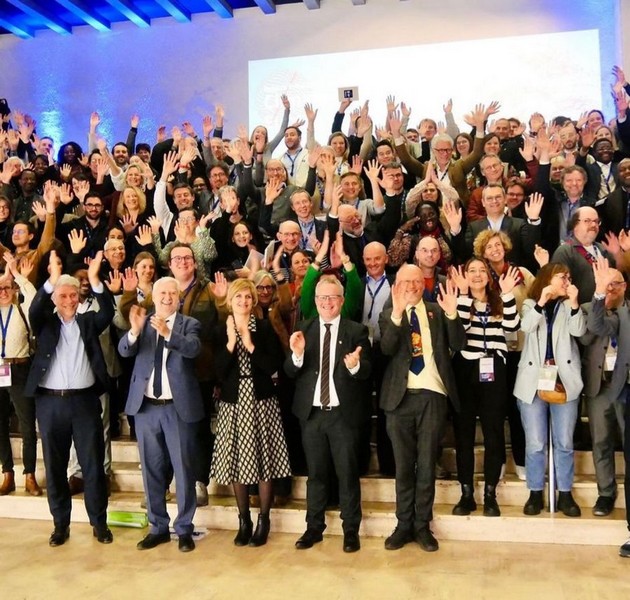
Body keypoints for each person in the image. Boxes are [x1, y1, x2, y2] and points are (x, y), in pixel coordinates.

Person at [25, 251, 113, 546]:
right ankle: (60, 524)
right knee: (55, 466)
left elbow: (107, 312)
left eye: (73, 295)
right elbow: (35, 309)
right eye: (62, 296)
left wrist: (97, 278)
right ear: (54, 298)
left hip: (85, 403)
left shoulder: (88, 322)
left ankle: (99, 524)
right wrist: (50, 281)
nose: (68, 301)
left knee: (92, 464)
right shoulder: (44, 322)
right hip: (50, 404)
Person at [379, 264, 464, 552]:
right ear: (397, 285)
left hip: (432, 395)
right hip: (399, 399)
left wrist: (453, 313)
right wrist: (397, 314)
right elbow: (387, 348)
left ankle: (421, 525)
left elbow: (458, 343)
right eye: (406, 281)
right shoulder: (389, 313)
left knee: (427, 464)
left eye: (417, 281)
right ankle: (403, 524)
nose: (412, 286)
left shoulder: (437, 311)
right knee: (403, 467)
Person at [285, 275, 372, 553]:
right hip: (312, 415)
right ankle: (314, 528)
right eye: (322, 298)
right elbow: (290, 372)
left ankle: (350, 531)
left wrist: (356, 366)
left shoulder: (356, 331)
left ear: (342, 301)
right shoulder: (303, 329)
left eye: (332, 297)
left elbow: (369, 372)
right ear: (315, 301)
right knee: (316, 475)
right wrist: (296, 355)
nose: (327, 303)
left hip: (342, 415)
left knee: (347, 474)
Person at [118, 277, 203, 553]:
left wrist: (168, 334)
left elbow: (193, 349)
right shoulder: (143, 321)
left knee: (184, 470)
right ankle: (157, 527)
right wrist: (133, 331)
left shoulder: (189, 324)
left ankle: (185, 528)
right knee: (151, 470)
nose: (167, 297)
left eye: (172, 292)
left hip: (177, 409)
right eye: (162, 292)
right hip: (146, 408)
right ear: (153, 296)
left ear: (179, 296)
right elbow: (123, 350)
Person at [211, 279, 291, 547]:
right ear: (229, 301)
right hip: (234, 403)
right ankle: (243, 519)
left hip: (262, 400)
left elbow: (273, 366)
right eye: (238, 298)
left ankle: (263, 519)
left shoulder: (264, 326)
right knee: (238, 462)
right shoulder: (222, 329)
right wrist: (233, 343)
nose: (244, 302)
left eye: (248, 297)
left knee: (263, 460)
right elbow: (218, 371)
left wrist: (250, 343)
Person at [449, 258, 520, 517]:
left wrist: (509, 293)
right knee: (464, 434)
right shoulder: (457, 299)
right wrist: (465, 295)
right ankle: (466, 493)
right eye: (471, 270)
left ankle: (490, 494)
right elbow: (460, 331)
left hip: (495, 370)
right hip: (465, 369)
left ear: (490, 276)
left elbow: (512, 328)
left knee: (493, 433)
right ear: (464, 275)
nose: (477, 275)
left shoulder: (499, 300)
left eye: (482, 270)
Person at [514, 263, 586, 517]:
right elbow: (526, 326)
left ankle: (565, 493)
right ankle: (535, 492)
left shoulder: (569, 305)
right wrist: (542, 300)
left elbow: (579, 331)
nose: (566, 281)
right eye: (561, 277)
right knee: (535, 443)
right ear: (547, 279)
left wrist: (575, 303)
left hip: (564, 379)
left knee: (564, 441)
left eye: (569, 276)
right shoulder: (530, 303)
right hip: (533, 380)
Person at [582, 259, 628, 517]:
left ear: (625, 286)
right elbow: (589, 334)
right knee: (600, 442)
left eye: (615, 285)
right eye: (605, 284)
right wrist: (599, 297)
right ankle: (606, 493)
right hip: (599, 386)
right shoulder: (591, 308)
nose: (610, 289)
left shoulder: (628, 311)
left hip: (625, 386)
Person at [0, 254, 41, 496]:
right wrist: (4, 275)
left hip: (20, 369)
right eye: (0, 288)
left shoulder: (22, 309)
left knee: (27, 426)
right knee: (0, 426)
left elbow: (34, 296)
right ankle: (7, 473)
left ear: (14, 289)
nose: (3, 291)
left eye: (7, 287)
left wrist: (15, 275)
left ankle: (30, 475)